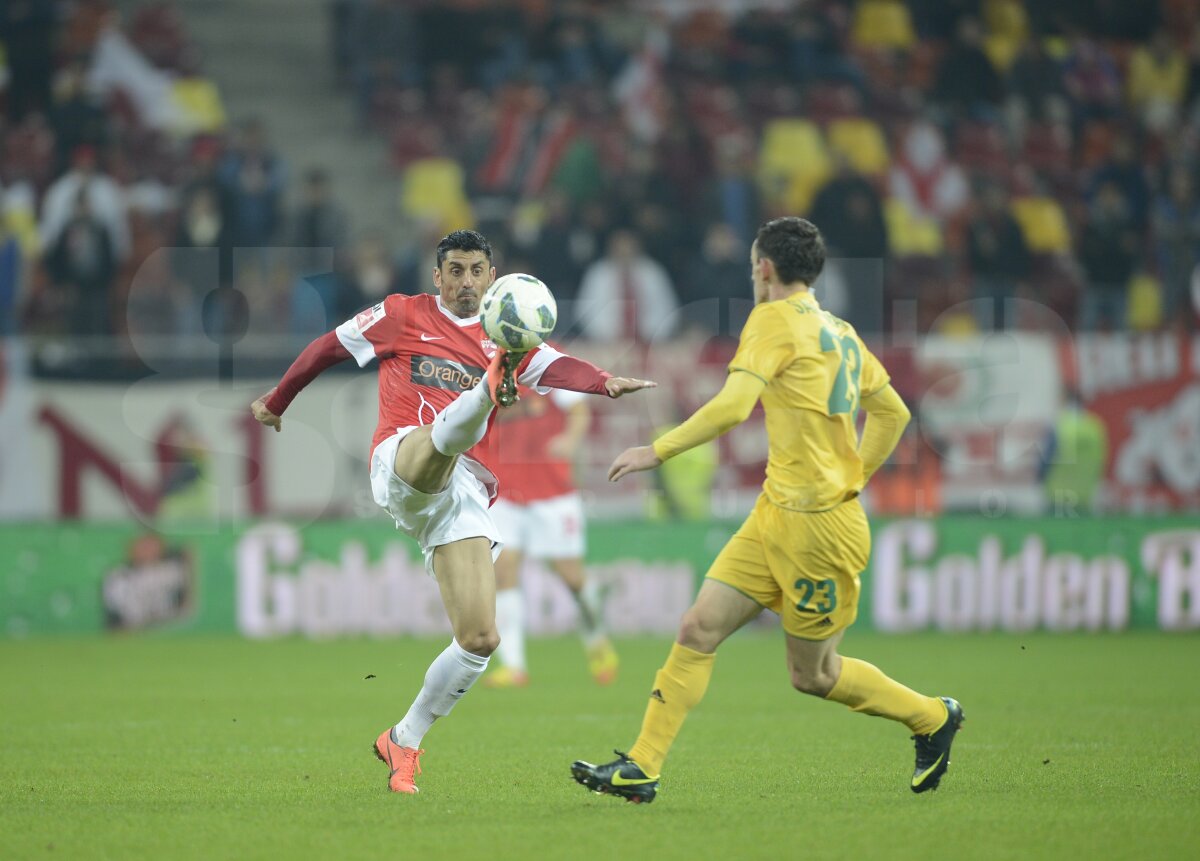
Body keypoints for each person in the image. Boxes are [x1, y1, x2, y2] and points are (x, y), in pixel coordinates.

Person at [570, 217, 963, 804]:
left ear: (763, 268)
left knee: (814, 676)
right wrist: (856, 471)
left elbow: (733, 407)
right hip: (776, 512)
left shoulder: (772, 318)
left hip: (820, 530)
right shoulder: (841, 331)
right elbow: (894, 415)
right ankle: (642, 767)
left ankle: (932, 716)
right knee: (697, 628)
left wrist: (657, 450)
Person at [250, 230, 653, 795]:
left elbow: (558, 366)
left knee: (480, 638)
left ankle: (404, 739)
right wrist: (277, 400)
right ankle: (487, 392)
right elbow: (328, 347)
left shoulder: (510, 338)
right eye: (456, 271)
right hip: (403, 458)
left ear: (492, 277)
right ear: (437, 277)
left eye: (476, 271)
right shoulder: (401, 315)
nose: (466, 282)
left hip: (464, 492)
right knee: (438, 444)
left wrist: (605, 383)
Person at [484, 385, 617, 688]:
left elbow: (579, 410)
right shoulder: (487, 363)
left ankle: (597, 641)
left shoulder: (547, 362)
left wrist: (570, 440)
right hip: (504, 492)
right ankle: (514, 666)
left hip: (553, 493)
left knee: (572, 577)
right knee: (503, 571)